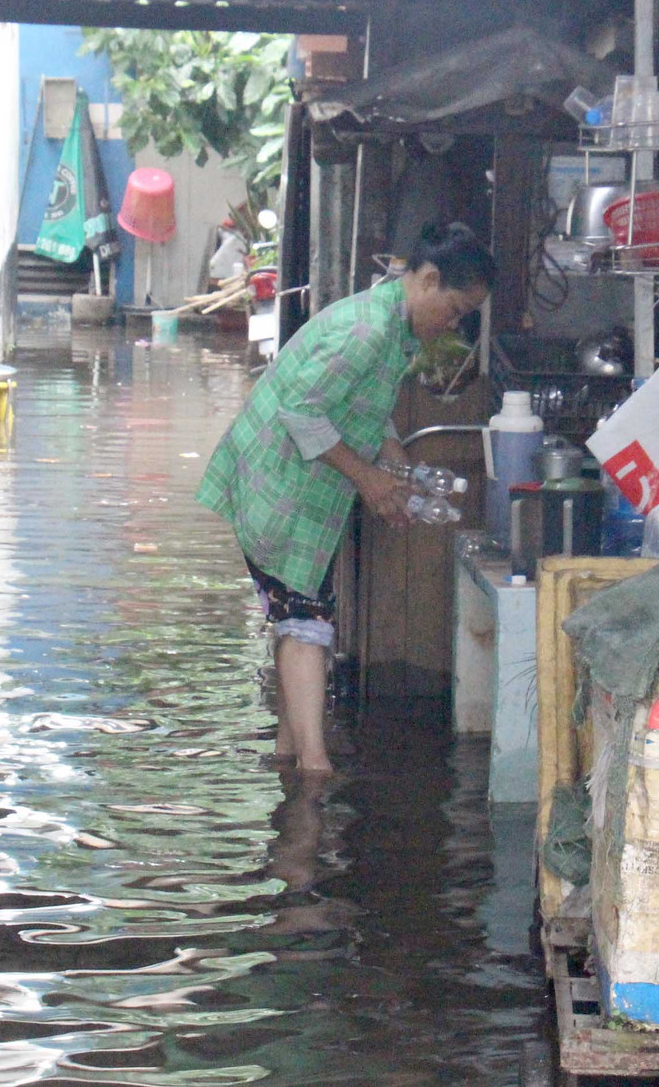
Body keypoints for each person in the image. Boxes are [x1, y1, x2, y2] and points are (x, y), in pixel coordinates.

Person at [198, 223, 495, 771]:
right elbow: (302, 412)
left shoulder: (395, 329)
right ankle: (314, 768)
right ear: (428, 281)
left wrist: (390, 457)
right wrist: (368, 477)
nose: (455, 324)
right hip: (278, 483)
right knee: (306, 623)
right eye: (456, 309)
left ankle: (291, 754)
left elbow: (363, 400)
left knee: (300, 620)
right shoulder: (368, 330)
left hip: (305, 491)